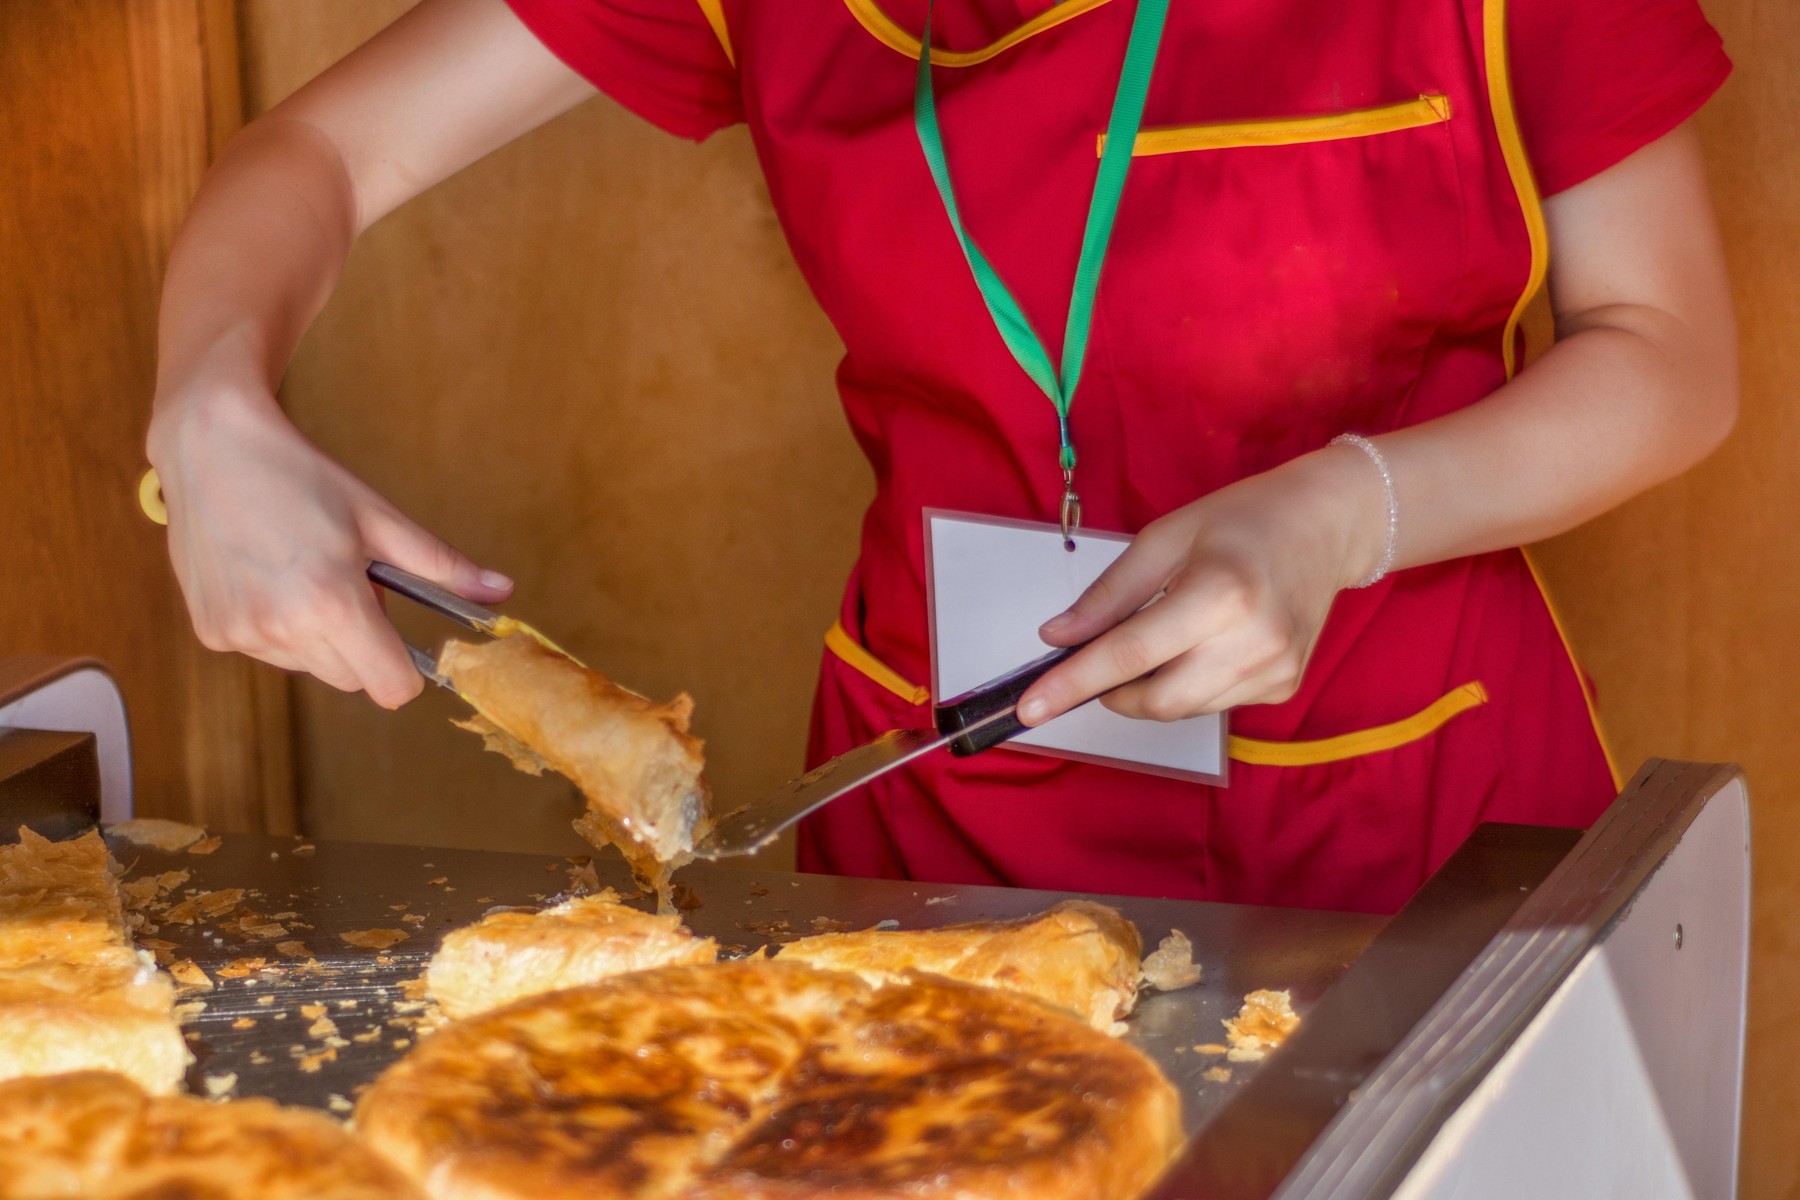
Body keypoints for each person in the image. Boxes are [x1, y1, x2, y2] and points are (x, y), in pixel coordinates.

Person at [148, 0, 1736, 913]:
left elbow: (1670, 353)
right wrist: (210, 400)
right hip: (934, 802)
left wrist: (1348, 509)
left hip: (1411, 799)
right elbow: (323, 152)